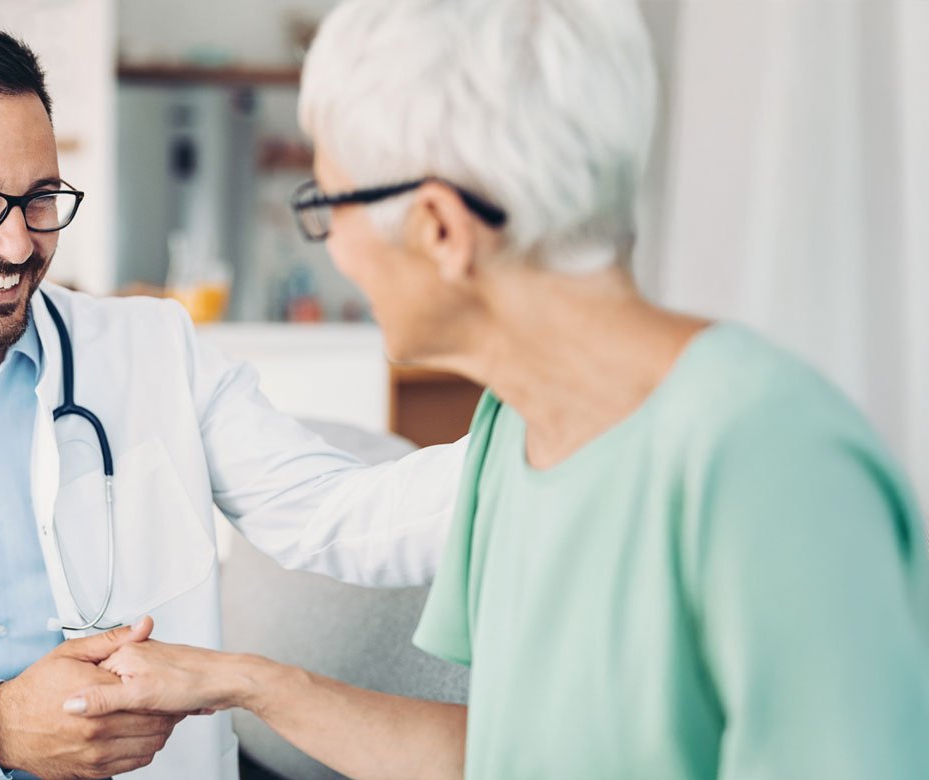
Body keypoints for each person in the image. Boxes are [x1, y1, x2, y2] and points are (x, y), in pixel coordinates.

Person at [65, 1, 929, 778]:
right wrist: (244, 682)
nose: (332, 248)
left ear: (440, 229)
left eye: (328, 206)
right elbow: (496, 754)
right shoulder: (514, 433)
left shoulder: (767, 459)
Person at [0, 23, 467, 780]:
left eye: (39, 198)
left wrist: (556, 425)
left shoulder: (156, 351)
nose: (17, 243)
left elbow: (342, 513)